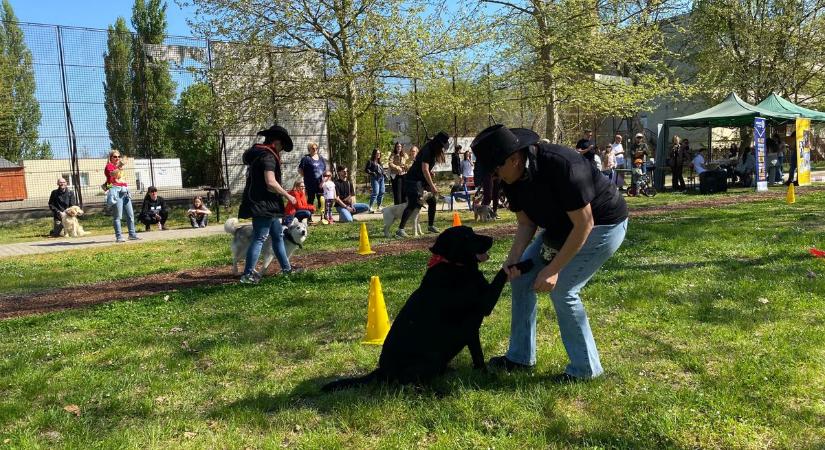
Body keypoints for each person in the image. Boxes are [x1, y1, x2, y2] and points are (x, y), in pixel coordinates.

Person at [471, 124, 628, 381]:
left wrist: (553, 270)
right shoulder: (510, 177)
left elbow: (584, 224)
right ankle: (520, 357)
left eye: (495, 169)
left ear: (514, 158)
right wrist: (512, 260)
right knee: (520, 278)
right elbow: (526, 223)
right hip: (561, 227)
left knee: (564, 290)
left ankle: (585, 371)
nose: (494, 176)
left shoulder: (563, 165)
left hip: (602, 224)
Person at [237, 124, 299, 284]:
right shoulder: (268, 157)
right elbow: (270, 182)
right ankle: (247, 275)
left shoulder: (260, 155)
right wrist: (288, 196)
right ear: (277, 142)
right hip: (263, 204)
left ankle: (287, 269)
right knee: (260, 237)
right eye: (282, 147)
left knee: (277, 236)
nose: (282, 150)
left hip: (268, 204)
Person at [396, 132, 449, 238]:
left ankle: (430, 225)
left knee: (432, 201)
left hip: (421, 180)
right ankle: (400, 230)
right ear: (438, 144)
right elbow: (424, 169)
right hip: (412, 180)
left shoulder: (433, 150)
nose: (442, 149)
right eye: (442, 146)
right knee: (413, 203)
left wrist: (430, 172)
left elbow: (426, 169)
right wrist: (432, 186)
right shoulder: (428, 150)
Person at [104, 149, 140, 243]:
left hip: (125, 191)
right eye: (115, 157)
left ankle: (132, 235)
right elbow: (112, 174)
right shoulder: (109, 166)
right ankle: (119, 237)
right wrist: (120, 166)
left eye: (119, 157)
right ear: (110, 158)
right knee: (117, 216)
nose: (117, 158)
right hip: (116, 192)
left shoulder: (120, 168)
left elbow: (121, 180)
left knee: (130, 215)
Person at [297, 142, 327, 210]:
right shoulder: (306, 158)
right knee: (310, 199)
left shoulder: (321, 158)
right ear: (309, 149)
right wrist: (307, 177)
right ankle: (309, 216)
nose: (315, 149)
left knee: (321, 200)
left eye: (316, 148)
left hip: (320, 184)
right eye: (313, 148)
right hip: (310, 184)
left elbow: (324, 170)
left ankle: (322, 217)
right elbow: (300, 170)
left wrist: (323, 181)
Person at [365, 148, 386, 213]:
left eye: (379, 153)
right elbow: (366, 169)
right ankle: (370, 207)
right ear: (374, 154)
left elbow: (381, 170)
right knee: (375, 192)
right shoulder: (370, 161)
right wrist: (372, 173)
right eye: (377, 153)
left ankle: (379, 206)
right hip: (375, 178)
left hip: (381, 178)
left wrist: (384, 173)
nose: (378, 155)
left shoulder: (380, 162)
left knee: (382, 192)